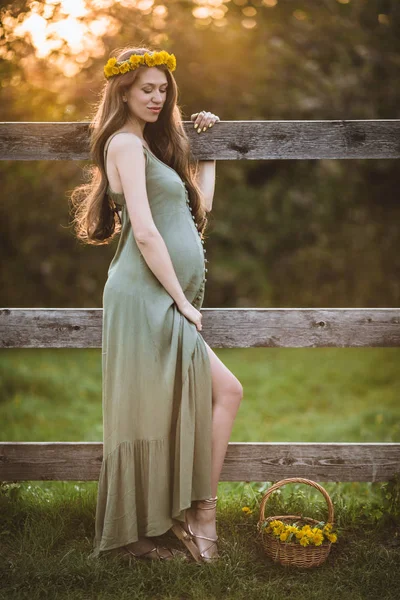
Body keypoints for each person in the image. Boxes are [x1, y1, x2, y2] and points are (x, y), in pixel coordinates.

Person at [69, 47, 243, 564]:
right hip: (146, 296)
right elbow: (144, 232)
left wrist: (206, 148)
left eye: (163, 89)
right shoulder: (123, 143)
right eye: (147, 87)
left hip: (162, 297)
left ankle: (182, 522)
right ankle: (191, 520)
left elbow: (199, 208)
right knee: (224, 392)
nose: (157, 97)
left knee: (190, 402)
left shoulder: (148, 146)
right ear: (122, 90)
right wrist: (182, 303)